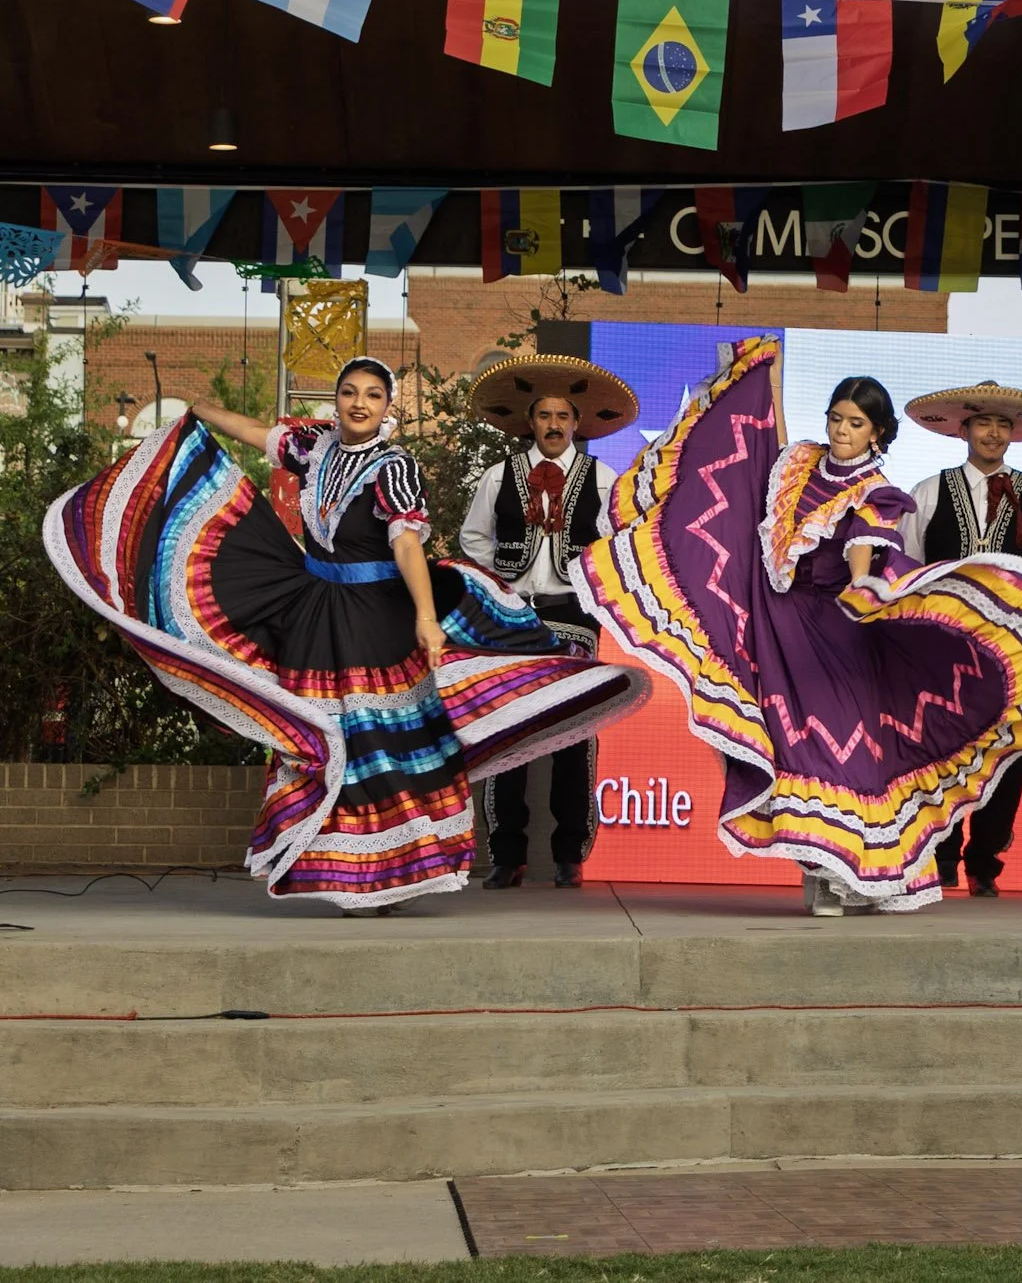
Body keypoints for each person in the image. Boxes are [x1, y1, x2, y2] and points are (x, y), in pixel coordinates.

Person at [42, 357, 648, 913]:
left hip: (376, 617)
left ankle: (397, 869)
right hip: (315, 613)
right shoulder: (316, 447)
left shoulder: (395, 466)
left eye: (374, 395)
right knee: (322, 739)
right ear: (335, 401)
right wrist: (201, 411)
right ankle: (340, 868)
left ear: (388, 407)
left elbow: (406, 543)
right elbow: (260, 435)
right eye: (350, 393)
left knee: (379, 745)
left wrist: (425, 617)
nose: (361, 403)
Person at [574, 336, 1022, 916]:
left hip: (838, 636)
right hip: (777, 626)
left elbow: (866, 551)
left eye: (856, 423)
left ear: (876, 434)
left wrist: (864, 585)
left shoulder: (878, 494)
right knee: (792, 751)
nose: (841, 430)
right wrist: (763, 374)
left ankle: (845, 870)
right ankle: (818, 871)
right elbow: (761, 450)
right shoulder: (800, 465)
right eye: (837, 418)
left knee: (846, 757)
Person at [459, 355, 638, 890]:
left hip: (573, 617)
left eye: (564, 416)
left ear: (576, 424)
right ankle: (505, 853)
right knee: (506, 731)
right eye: (545, 416)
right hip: (512, 615)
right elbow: (473, 538)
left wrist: (589, 581)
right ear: (530, 422)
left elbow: (620, 541)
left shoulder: (603, 478)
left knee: (572, 733)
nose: (555, 425)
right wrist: (500, 584)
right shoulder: (499, 476)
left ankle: (569, 854)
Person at [900, 379, 1022, 896]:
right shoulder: (928, 491)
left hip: (1013, 650)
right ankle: (944, 854)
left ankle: (984, 860)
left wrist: (1013, 615)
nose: (992, 433)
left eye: (1002, 425)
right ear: (963, 429)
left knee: (1011, 752)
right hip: (941, 646)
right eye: (983, 423)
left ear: (1013, 434)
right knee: (940, 749)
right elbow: (907, 567)